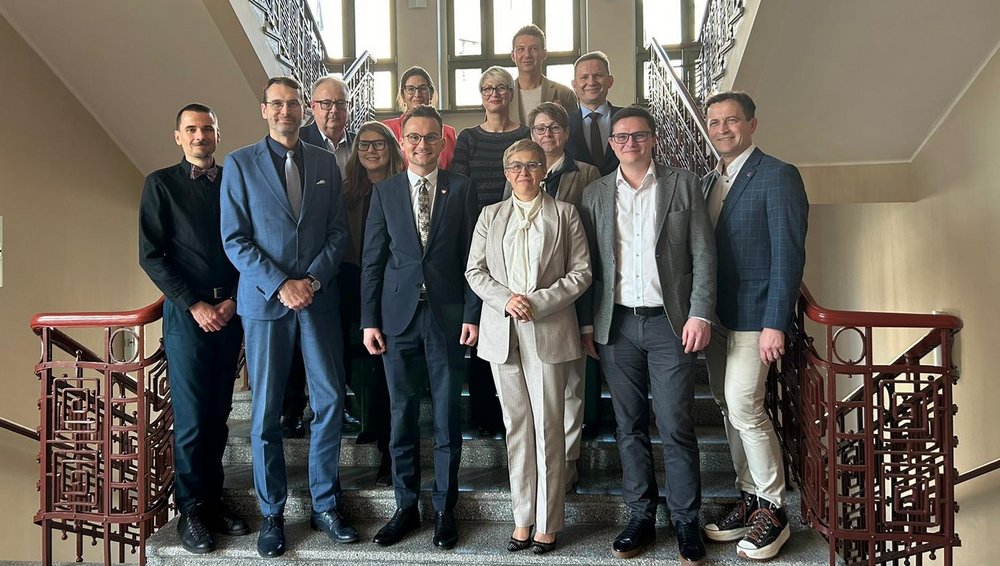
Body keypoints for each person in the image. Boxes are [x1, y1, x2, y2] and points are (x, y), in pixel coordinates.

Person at [220, 76, 357, 557]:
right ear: (264, 110)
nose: (285, 111)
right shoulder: (239, 163)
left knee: (329, 401)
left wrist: (311, 282)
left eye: (293, 103)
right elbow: (235, 239)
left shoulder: (323, 162)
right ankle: (272, 513)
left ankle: (324, 503)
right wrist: (281, 284)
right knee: (265, 412)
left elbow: (338, 233)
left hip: (318, 301)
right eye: (276, 104)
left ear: (305, 110)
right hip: (265, 304)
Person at [578, 106, 715, 564]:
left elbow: (703, 253)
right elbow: (588, 268)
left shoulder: (681, 183)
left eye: (638, 135)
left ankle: (684, 520)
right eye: (620, 137)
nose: (629, 143)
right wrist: (586, 324)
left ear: (653, 139)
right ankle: (640, 514)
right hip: (616, 325)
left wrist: (700, 314)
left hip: (670, 324)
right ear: (612, 143)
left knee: (676, 424)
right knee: (628, 425)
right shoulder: (596, 193)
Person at [361, 105, 481, 550]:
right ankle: (405, 506)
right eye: (414, 137)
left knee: (448, 418)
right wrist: (368, 321)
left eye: (431, 137)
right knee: (402, 415)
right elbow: (372, 262)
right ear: (403, 142)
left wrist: (472, 314)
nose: (422, 145)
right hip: (397, 321)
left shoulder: (463, 190)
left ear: (442, 142)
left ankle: (445, 510)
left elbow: (474, 260)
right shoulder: (386, 192)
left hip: (448, 320)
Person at [466, 139, 591, 555]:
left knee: (550, 428)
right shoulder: (490, 216)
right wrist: (507, 299)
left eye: (532, 165)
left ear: (543, 170)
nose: (524, 172)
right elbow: (475, 271)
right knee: (517, 427)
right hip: (503, 332)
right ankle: (522, 518)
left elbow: (581, 274)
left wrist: (535, 302)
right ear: (506, 172)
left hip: (549, 329)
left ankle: (548, 523)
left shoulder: (566, 214)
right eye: (516, 166)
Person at [700, 91, 808, 561]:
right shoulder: (708, 181)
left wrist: (776, 323)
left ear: (752, 124)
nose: (723, 129)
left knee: (746, 406)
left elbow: (788, 254)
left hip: (755, 318)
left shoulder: (778, 175)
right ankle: (748, 498)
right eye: (715, 121)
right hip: (717, 317)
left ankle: (773, 508)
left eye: (732, 120)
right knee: (727, 406)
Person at [138, 103, 249, 554]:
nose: (200, 136)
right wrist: (195, 303)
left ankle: (214, 498)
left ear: (217, 135)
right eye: (191, 130)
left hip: (232, 309)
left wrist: (234, 300)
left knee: (219, 413)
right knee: (190, 419)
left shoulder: (234, 182)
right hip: (187, 315)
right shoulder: (159, 184)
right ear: (178, 137)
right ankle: (190, 511)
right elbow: (152, 254)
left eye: (207, 129)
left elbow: (249, 241)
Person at [502, 102, 600, 493]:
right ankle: (538, 469)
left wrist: (587, 316)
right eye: (539, 128)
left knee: (571, 389)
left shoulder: (588, 174)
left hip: (572, 297)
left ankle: (567, 463)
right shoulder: (518, 174)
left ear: (566, 132)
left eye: (554, 127)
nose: (547, 134)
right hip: (523, 307)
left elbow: (590, 247)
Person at [451, 65, 530, 437]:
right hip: (479, 233)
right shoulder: (468, 138)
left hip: (520, 234)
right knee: (483, 319)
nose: (494, 93)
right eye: (487, 88)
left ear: (511, 92)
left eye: (500, 87)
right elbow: (462, 188)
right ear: (480, 95)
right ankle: (484, 413)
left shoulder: (527, 133)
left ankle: (520, 408)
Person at [283, 74, 361, 439]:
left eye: (341, 103)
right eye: (325, 103)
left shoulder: (359, 146)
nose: (334, 110)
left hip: (345, 258)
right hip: (304, 266)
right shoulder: (299, 144)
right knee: (297, 343)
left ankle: (337, 403)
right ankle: (293, 409)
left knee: (339, 337)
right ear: (311, 108)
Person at [338, 121, 406, 487]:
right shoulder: (346, 192)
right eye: (364, 144)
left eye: (379, 143)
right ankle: (369, 423)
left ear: (392, 148)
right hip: (351, 283)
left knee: (387, 373)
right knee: (357, 365)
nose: (371, 150)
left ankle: (389, 450)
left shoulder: (404, 188)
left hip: (391, 286)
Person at [383, 66, 457, 170]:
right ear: (403, 96)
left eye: (423, 88)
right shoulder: (387, 129)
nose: (417, 94)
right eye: (410, 89)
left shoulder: (449, 133)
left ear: (431, 94)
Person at [508, 24, 578, 126]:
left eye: (533, 49)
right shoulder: (503, 95)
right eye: (521, 49)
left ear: (544, 54)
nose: (527, 55)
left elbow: (573, 134)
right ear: (513, 56)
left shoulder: (564, 94)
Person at [567, 51, 622, 176]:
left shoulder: (627, 119)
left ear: (610, 81)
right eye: (584, 77)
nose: (591, 82)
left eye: (598, 75)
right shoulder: (564, 124)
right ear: (574, 84)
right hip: (579, 194)